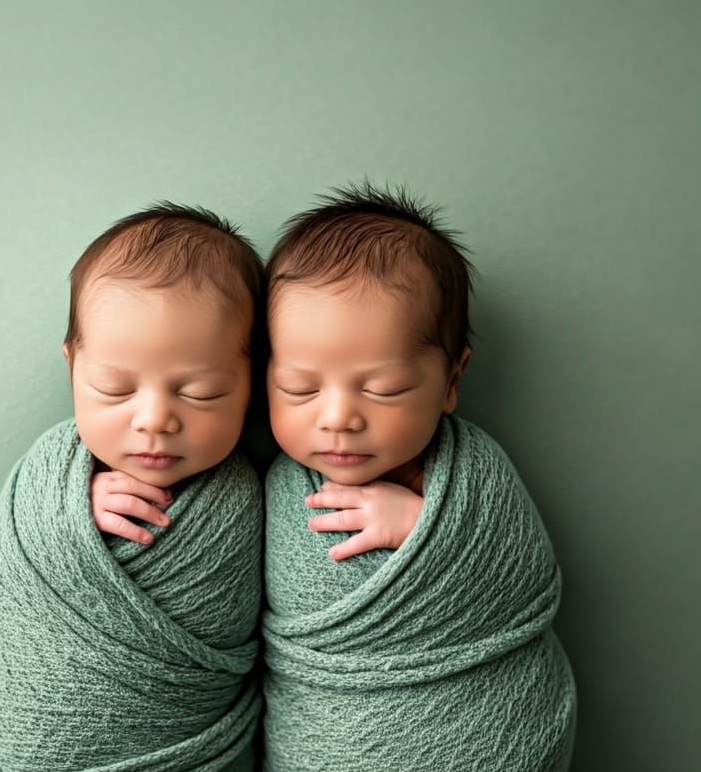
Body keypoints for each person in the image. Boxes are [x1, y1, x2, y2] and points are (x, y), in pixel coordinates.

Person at [263, 181, 476, 560]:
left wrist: (425, 527)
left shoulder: (473, 475)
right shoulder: (268, 485)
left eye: (384, 389)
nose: (338, 419)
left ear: (451, 384)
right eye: (299, 388)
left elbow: (521, 569)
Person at [63, 202, 266, 544]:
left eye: (201, 392)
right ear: (71, 367)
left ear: (254, 380)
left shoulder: (250, 497)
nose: (154, 421)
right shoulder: (57, 479)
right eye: (115, 388)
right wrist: (71, 507)